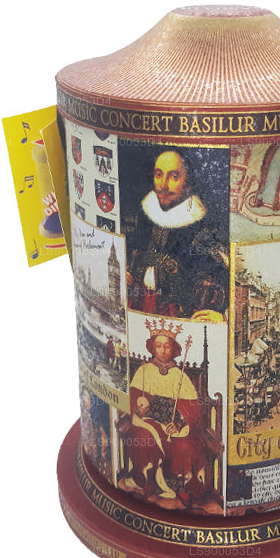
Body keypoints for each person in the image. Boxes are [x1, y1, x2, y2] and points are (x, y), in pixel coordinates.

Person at [117, 321, 223, 513]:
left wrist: (179, 423)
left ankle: (177, 489)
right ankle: (145, 481)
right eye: (158, 345)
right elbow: (133, 398)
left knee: (185, 446)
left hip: (174, 426)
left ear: (173, 349)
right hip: (147, 422)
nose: (163, 350)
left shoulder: (179, 375)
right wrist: (139, 409)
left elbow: (192, 408)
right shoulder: (143, 371)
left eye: (167, 346)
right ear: (152, 347)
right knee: (142, 437)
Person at [125, 150, 227, 321]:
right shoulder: (144, 214)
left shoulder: (204, 227)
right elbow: (133, 251)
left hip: (179, 312)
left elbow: (220, 278)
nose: (163, 185)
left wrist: (221, 315)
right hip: (140, 303)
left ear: (188, 184)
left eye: (174, 177)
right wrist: (127, 272)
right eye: (159, 175)